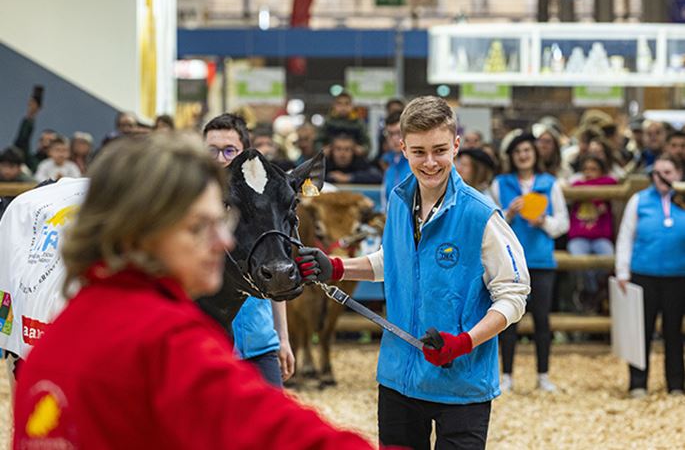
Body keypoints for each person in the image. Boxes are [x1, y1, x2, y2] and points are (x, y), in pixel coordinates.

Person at [12, 132, 378, 449]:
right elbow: (278, 435)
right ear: (143, 232)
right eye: (199, 226)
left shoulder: (60, 332)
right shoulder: (166, 342)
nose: (222, 241)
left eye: (222, 223)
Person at [298, 96, 530, 449]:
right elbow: (390, 262)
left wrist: (464, 342)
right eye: (419, 152)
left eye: (440, 150)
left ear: (456, 145)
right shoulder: (400, 201)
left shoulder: (481, 215)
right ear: (402, 148)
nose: (431, 162)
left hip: (461, 384)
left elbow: (513, 294)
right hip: (398, 381)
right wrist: (336, 267)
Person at [203, 113, 295, 386]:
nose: (221, 158)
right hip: (210, 340)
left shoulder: (263, 204)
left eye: (229, 150)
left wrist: (283, 337)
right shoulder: (193, 208)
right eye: (212, 150)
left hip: (258, 340)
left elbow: (279, 268)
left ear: (244, 153)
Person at [491, 132, 569, 393]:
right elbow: (491, 224)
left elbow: (562, 224)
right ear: (511, 157)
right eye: (518, 152)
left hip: (542, 261)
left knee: (542, 320)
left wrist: (544, 222)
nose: (523, 155)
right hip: (509, 262)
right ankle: (507, 376)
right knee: (507, 319)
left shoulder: (551, 183)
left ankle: (543, 376)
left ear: (535, 154)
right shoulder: (499, 183)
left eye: (527, 150)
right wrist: (509, 214)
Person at [615, 154, 685, 398]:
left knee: (674, 332)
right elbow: (626, 236)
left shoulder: (683, 200)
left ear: (678, 174)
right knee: (640, 330)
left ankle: (676, 383)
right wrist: (623, 271)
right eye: (656, 173)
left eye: (667, 172)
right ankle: (638, 382)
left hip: (678, 276)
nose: (661, 178)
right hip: (643, 274)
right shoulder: (639, 200)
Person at [567, 155, 617, 313]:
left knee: (608, 256)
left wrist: (594, 189)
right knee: (578, 260)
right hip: (579, 237)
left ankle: (597, 287)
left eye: (594, 169)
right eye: (586, 169)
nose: (589, 172)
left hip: (601, 237)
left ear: (602, 172)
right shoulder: (577, 186)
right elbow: (573, 185)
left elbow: (613, 181)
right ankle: (592, 290)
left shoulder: (608, 187)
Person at [379, 111, 411, 205]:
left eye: (399, 133)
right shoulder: (388, 165)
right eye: (390, 134)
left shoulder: (418, 163)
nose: (395, 139)